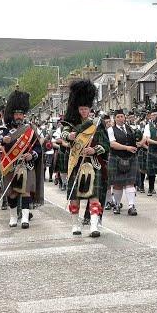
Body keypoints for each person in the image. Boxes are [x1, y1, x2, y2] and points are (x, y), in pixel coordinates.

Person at [62, 80, 109, 237]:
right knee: (75, 197)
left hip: (93, 163)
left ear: (90, 109)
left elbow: (105, 144)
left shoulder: (97, 124)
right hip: (76, 163)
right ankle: (75, 224)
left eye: (86, 109)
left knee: (94, 196)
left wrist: (94, 149)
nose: (84, 112)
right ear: (78, 109)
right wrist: (70, 135)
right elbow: (63, 135)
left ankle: (94, 226)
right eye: (81, 109)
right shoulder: (71, 123)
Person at [0, 89, 45, 228]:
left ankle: (25, 219)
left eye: (21, 114)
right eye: (16, 114)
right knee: (12, 194)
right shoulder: (5, 128)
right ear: (13, 114)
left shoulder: (30, 129)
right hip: (11, 165)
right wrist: (3, 140)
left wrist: (32, 155)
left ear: (24, 115)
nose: (18, 116)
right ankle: (12, 217)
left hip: (26, 165)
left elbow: (37, 148)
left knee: (26, 191)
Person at [107, 109, 139, 216]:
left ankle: (131, 206)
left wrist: (137, 143)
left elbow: (139, 140)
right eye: (118, 117)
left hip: (130, 158)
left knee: (130, 182)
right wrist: (127, 148)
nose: (121, 119)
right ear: (115, 119)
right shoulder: (111, 130)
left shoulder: (131, 128)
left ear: (125, 117)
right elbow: (112, 144)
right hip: (116, 157)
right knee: (117, 184)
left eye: (122, 116)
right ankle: (116, 204)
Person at [142, 110, 157, 196]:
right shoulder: (147, 126)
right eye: (153, 115)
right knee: (151, 171)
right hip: (152, 149)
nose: (155, 116)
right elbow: (147, 139)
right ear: (150, 116)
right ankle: (151, 188)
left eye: (156, 115)